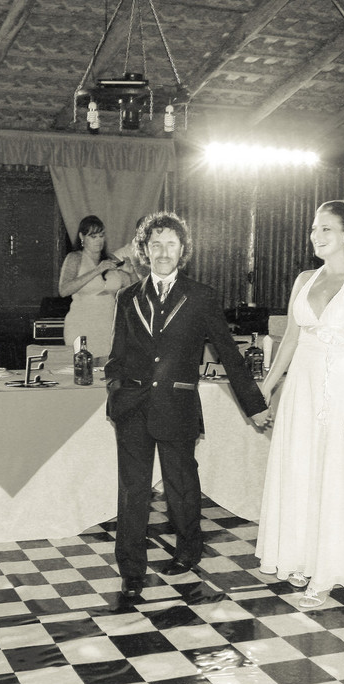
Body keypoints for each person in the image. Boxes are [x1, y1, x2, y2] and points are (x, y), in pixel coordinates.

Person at [105, 211, 269, 601]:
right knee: (132, 492)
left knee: (182, 486)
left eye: (171, 245)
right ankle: (131, 569)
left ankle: (188, 551)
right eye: (156, 245)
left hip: (177, 406)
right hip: (132, 406)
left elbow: (229, 353)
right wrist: (116, 389)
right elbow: (118, 352)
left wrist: (255, 405)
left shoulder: (201, 297)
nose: (163, 252)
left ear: (183, 252)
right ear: (145, 251)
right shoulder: (127, 297)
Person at [255, 200, 344, 609]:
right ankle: (298, 555)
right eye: (314, 229)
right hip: (302, 389)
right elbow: (290, 341)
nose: (317, 236)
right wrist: (266, 388)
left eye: (326, 229)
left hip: (343, 389)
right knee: (299, 469)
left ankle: (328, 570)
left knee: (334, 473)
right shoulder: (303, 280)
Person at [59, 215, 132, 361]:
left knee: (106, 375)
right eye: (93, 236)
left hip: (108, 325)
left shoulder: (111, 259)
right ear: (82, 237)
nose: (99, 240)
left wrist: (131, 272)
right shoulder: (74, 258)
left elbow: (133, 291)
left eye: (101, 236)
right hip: (81, 325)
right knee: (84, 374)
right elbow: (64, 290)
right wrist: (97, 270)